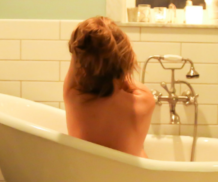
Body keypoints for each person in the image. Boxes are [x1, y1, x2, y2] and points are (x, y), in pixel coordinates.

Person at [63, 17, 155, 158]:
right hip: (130, 172)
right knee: (141, 153)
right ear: (126, 59)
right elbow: (124, 79)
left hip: (86, 171)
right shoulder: (145, 101)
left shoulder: (74, 98)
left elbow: (76, 66)